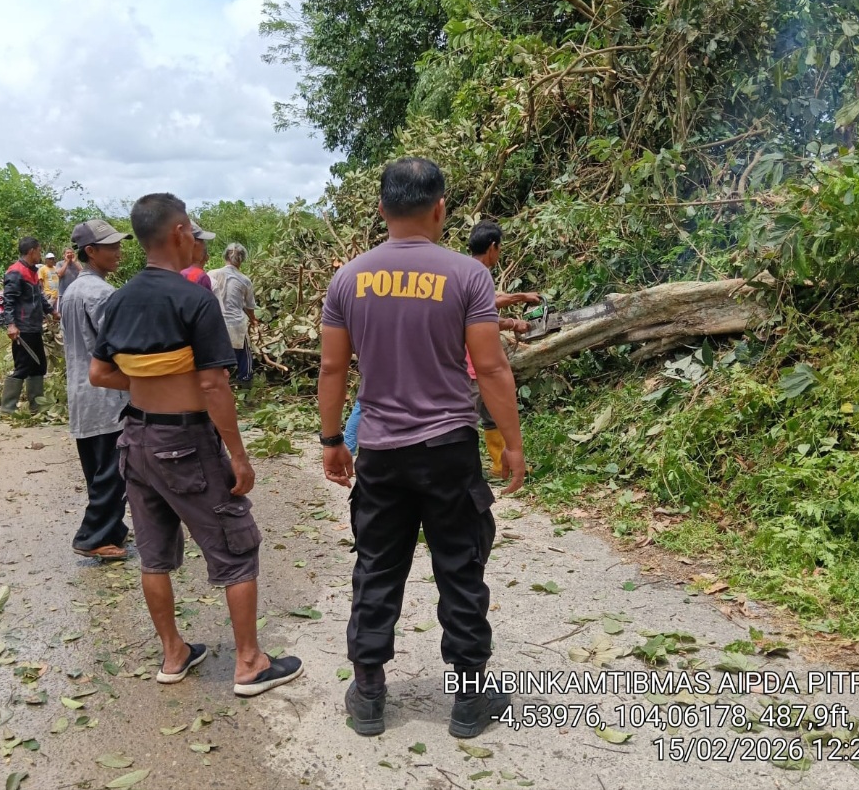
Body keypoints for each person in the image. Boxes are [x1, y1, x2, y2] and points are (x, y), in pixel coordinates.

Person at [317, 157, 526, 739]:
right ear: (440, 209)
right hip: (448, 449)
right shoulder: (467, 276)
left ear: (382, 210)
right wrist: (510, 444)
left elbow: (333, 368)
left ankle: (368, 695)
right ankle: (468, 699)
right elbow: (490, 365)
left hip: (380, 451)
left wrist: (334, 439)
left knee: (377, 566)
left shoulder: (348, 279)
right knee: (460, 569)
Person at [89, 192, 303, 693]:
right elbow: (213, 386)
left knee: (154, 553)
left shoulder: (118, 298)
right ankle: (250, 662)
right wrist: (238, 455)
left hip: (135, 441)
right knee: (235, 544)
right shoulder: (193, 299)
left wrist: (151, 379)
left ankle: (173, 653)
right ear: (180, 232)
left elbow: (101, 372)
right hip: (184, 441)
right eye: (193, 234)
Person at [61, 220, 134, 562]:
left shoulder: (73, 290)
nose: (118, 252)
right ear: (91, 252)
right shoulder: (102, 294)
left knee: (97, 467)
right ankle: (93, 535)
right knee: (113, 469)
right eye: (111, 247)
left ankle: (112, 530)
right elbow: (118, 346)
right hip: (106, 394)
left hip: (80, 391)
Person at [466, 219, 540, 477]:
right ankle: (464, 470)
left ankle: (500, 466)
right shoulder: (478, 274)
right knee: (464, 420)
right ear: (493, 246)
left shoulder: (466, 271)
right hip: (472, 362)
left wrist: (517, 307)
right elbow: (483, 314)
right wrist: (514, 317)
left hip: (476, 361)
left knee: (491, 415)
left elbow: (486, 306)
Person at [1, 237, 58, 414]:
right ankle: (7, 409)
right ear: (32, 251)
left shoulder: (33, 271)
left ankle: (36, 405)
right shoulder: (15, 272)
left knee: (39, 365)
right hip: (22, 328)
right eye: (39, 251)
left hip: (34, 326)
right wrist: (11, 325)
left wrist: (51, 311)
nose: (40, 254)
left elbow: (40, 296)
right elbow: (8, 301)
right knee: (23, 366)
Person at [208, 243, 258, 388]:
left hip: (216, 323)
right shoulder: (245, 280)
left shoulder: (212, 274)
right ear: (242, 260)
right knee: (245, 358)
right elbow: (250, 306)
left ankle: (221, 383)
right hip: (236, 324)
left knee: (217, 360)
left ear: (224, 256)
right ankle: (245, 383)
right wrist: (253, 319)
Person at [180, 223, 214, 290]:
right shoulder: (200, 277)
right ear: (192, 243)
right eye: (202, 240)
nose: (204, 245)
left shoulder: (168, 270)